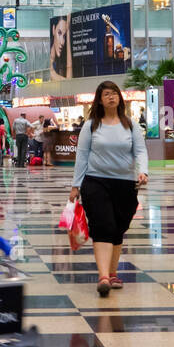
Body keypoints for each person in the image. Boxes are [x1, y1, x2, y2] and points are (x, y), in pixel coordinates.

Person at [68, 81, 148, 296]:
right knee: (103, 225)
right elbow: (82, 156)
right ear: (100, 100)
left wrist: (143, 171)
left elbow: (140, 151)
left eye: (114, 94)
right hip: (96, 182)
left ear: (119, 98)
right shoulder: (91, 125)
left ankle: (112, 272)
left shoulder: (130, 125)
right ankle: (103, 276)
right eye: (106, 94)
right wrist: (76, 185)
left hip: (125, 184)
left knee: (118, 228)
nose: (111, 97)